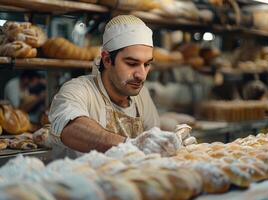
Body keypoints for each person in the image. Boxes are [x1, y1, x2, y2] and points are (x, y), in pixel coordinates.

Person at [48, 15, 191, 159]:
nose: (141, 75)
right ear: (107, 60)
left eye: (147, 64)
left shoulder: (142, 96)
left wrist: (169, 145)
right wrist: (131, 145)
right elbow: (70, 129)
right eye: (131, 63)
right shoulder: (78, 90)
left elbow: (153, 147)